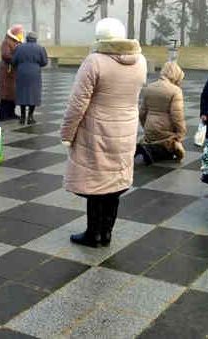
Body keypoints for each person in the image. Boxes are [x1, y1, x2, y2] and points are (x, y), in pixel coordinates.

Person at [60, 18, 147, 248]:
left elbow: (77, 103)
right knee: (115, 182)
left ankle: (93, 234)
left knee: (95, 182)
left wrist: (67, 133)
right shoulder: (141, 61)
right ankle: (106, 233)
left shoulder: (95, 61)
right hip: (126, 129)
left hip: (97, 130)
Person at [136, 62, 186, 165]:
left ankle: (146, 147)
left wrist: (145, 126)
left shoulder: (149, 87)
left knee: (154, 138)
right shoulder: (175, 91)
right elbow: (177, 116)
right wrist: (180, 134)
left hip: (149, 127)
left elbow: (142, 112)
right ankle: (152, 151)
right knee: (172, 144)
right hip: (165, 130)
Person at [12, 32, 48, 125]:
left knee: (22, 93)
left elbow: (14, 60)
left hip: (21, 72)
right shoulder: (40, 48)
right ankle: (31, 117)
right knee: (33, 94)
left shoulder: (19, 47)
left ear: (27, 39)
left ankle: (22, 117)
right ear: (35, 39)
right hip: (34, 73)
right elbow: (44, 62)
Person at [0, 24, 24, 121]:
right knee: (5, 94)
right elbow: (5, 55)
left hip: (14, 71)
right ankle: (3, 115)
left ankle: (11, 113)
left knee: (13, 94)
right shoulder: (7, 42)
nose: (21, 34)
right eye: (20, 32)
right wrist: (16, 59)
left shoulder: (17, 42)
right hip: (7, 71)